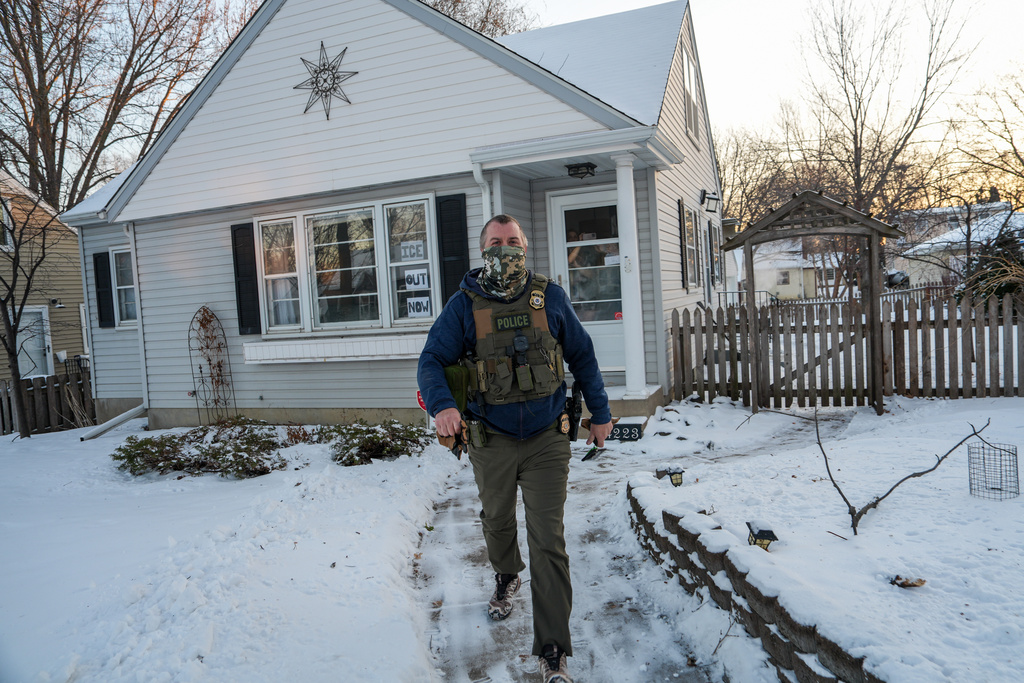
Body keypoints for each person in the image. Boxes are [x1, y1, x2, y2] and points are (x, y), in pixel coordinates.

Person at [417, 214, 613, 683]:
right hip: (492, 439)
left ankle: (552, 651)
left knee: (549, 541)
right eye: (495, 242)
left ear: (525, 247)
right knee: (497, 519)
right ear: (482, 248)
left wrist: (601, 414)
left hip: (548, 437)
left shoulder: (550, 297)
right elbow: (431, 359)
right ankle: (506, 575)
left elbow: (582, 355)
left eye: (513, 242)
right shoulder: (464, 304)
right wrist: (443, 405)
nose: (505, 249)